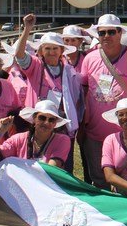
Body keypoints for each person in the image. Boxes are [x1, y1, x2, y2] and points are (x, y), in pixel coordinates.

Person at [77, 13, 127, 185]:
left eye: (111, 32)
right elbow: (83, 93)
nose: (106, 36)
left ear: (120, 33)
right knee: (99, 180)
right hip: (95, 132)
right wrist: (82, 124)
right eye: (102, 33)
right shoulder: (90, 58)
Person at [11, 14, 81, 169]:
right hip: (38, 120)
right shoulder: (35, 66)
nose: (51, 52)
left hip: (58, 122)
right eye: (47, 48)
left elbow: (75, 97)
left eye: (55, 48)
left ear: (61, 50)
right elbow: (20, 56)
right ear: (41, 51)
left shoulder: (69, 71)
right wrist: (27, 29)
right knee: (35, 160)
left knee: (62, 163)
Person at [0, 99, 73, 167]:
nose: (46, 123)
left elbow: (51, 170)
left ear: (55, 124)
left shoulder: (63, 140)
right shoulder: (18, 139)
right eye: (42, 118)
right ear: (34, 119)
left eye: (51, 120)